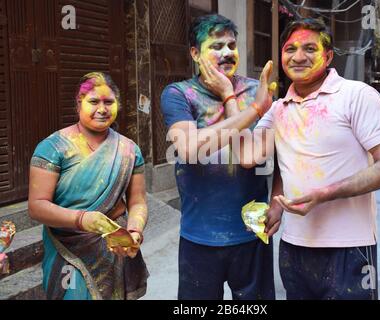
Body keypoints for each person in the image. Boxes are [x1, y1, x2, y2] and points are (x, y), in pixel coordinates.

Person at [232, 18, 380, 299]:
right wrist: (253, 107)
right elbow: (250, 158)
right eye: (290, 49)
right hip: (293, 247)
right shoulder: (278, 108)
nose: (298, 57)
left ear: (328, 56)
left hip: (350, 248)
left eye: (310, 49)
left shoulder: (356, 96)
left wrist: (324, 194)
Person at [160, 14, 276, 300]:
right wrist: (249, 109)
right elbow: (189, 149)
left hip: (252, 233)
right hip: (199, 236)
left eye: (231, 45)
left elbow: (254, 156)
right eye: (216, 46)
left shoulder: (256, 91)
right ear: (195, 54)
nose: (226, 53)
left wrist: (232, 98)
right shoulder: (179, 94)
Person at [28, 72, 149, 300]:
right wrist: (83, 220)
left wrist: (134, 231)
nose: (102, 109)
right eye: (93, 102)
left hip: (115, 246)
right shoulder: (53, 147)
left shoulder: (128, 150)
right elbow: (37, 206)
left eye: (109, 102)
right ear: (78, 104)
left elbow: (138, 201)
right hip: (68, 248)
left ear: (118, 105)